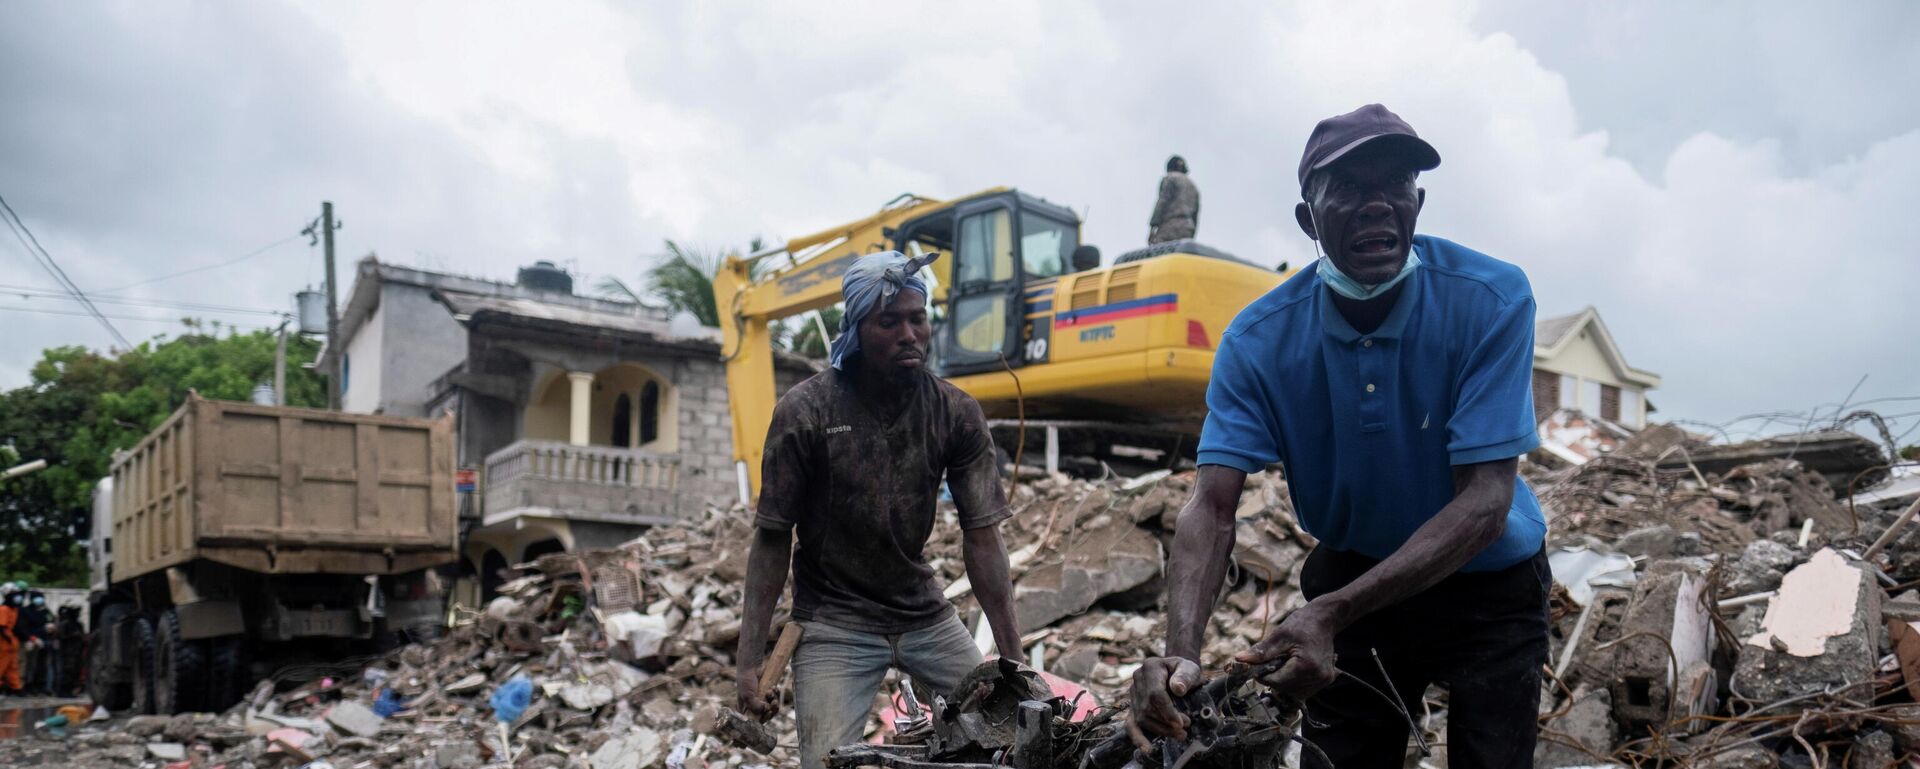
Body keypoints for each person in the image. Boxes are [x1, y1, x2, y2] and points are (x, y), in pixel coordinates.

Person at [1128, 104, 1549, 769]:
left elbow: (1487, 501)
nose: (1378, 205)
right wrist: (1181, 649)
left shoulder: (1490, 298)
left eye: (1396, 185)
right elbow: (1211, 506)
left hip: (1489, 587)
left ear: (1419, 201)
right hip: (1355, 584)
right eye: (1349, 189)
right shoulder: (1260, 339)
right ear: (1309, 219)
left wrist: (1328, 613)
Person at [735, 251, 1025, 769]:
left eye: (918, 319)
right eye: (889, 322)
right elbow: (772, 537)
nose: (909, 334)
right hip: (832, 621)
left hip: (923, 613)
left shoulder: (955, 413)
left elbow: (982, 535)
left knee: (1009, 737)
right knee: (826, 763)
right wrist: (748, 663)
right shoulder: (805, 412)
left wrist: (1013, 660)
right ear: (857, 328)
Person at [1148, 155, 1200, 244]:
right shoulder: (1193, 186)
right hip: (1188, 228)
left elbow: (1162, 202)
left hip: (1170, 225)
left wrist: (1153, 226)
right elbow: (1196, 213)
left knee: (1159, 252)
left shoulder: (1170, 178)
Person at [17, 591, 51, 695]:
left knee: (42, 665)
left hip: (44, 641)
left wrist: (51, 627)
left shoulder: (45, 611)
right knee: (27, 665)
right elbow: (22, 627)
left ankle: (40, 685)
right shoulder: (25, 611)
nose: (39, 600)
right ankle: (26, 685)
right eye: (36, 598)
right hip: (30, 641)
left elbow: (51, 621)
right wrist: (31, 638)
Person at [0, 584, 20, 695]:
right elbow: (1, 627)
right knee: (2, 664)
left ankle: (16, 687)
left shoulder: (14, 609)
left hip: (11, 640)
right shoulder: (3, 609)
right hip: (4, 641)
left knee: (13, 665)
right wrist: (8, 639)